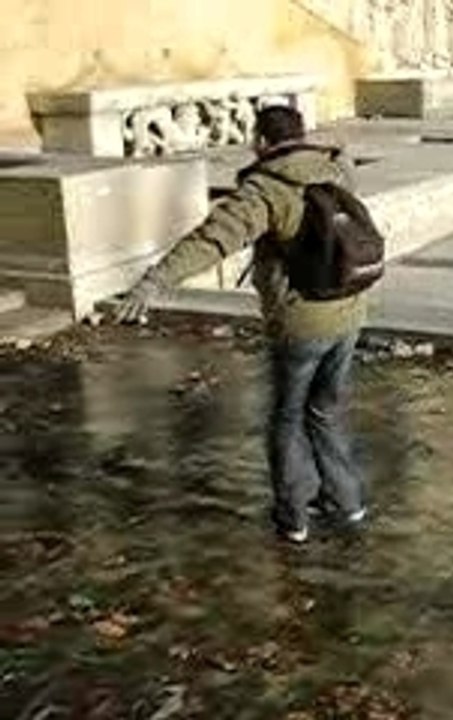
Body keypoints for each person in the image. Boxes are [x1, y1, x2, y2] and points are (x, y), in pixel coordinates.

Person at [115, 106, 368, 545]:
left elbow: (214, 238)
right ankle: (348, 503)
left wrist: (154, 281)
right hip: (350, 312)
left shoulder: (266, 188)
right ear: (301, 134)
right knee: (324, 411)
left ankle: (293, 520)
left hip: (301, 323)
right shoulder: (334, 170)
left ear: (261, 141)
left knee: (287, 418)